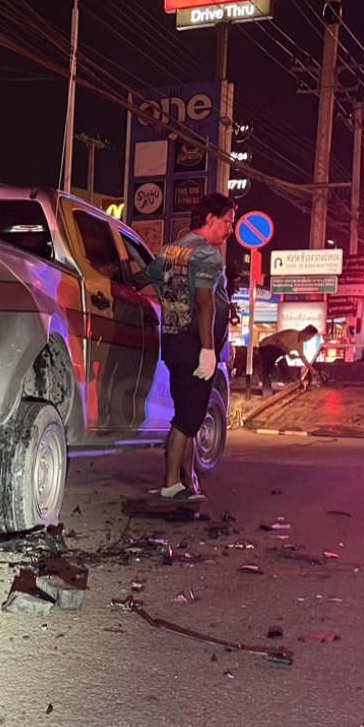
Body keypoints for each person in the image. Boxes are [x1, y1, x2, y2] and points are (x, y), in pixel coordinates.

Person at [136, 193, 235, 503]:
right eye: (227, 222)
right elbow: (205, 303)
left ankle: (187, 481)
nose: (230, 230)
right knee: (187, 420)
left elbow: (145, 278)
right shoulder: (207, 255)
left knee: (187, 414)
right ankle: (170, 484)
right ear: (210, 219)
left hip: (173, 342)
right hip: (195, 346)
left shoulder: (170, 251)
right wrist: (208, 350)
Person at [256, 324, 320, 396]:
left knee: (282, 366)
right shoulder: (292, 333)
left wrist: (312, 369)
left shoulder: (300, 343)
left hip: (278, 353)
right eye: (310, 337)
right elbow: (278, 342)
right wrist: (288, 353)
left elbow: (302, 357)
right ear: (306, 333)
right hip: (267, 347)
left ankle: (284, 384)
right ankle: (267, 392)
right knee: (266, 372)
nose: (309, 339)